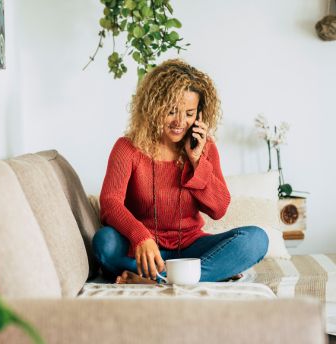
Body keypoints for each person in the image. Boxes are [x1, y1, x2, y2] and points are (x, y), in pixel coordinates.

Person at [92, 59, 269, 284]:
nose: (180, 122)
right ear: (154, 107)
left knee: (256, 239)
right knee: (104, 242)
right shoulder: (128, 147)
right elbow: (110, 203)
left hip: (193, 249)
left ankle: (157, 280)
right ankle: (203, 275)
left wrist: (196, 161)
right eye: (172, 111)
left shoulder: (205, 148)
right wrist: (140, 236)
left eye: (189, 113)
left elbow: (219, 209)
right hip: (145, 251)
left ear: (199, 115)